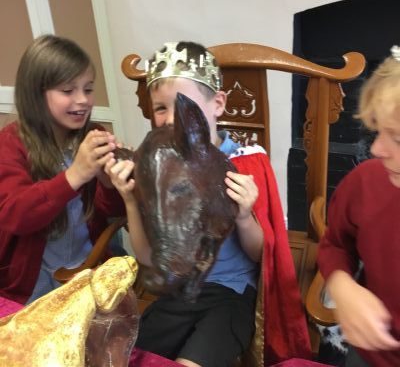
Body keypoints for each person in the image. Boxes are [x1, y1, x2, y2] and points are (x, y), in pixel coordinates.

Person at [106, 41, 311, 367]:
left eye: (184, 106)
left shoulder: (246, 163)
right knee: (126, 360)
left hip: (231, 295)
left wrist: (244, 216)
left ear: (217, 104)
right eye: (160, 108)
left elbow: (262, 255)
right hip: (179, 293)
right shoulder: (159, 168)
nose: (171, 120)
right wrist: (130, 199)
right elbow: (147, 257)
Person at [0, 34, 125, 305]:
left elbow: (112, 212)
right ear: (36, 95)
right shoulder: (10, 144)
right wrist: (75, 175)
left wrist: (109, 182)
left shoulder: (93, 134)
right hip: (31, 285)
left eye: (88, 89)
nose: (83, 100)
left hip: (88, 268)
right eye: (68, 91)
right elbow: (15, 217)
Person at [318, 45, 400, 366]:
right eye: (378, 131)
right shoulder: (366, 181)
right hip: (370, 353)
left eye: (397, 138)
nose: (377, 149)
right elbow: (336, 243)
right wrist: (342, 285)